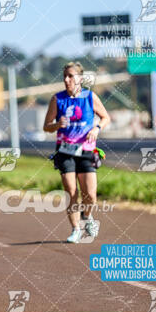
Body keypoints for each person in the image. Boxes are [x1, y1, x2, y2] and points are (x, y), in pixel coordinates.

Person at [43, 62, 110, 243]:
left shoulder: (90, 97)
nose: (67, 80)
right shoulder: (57, 99)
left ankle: (86, 216)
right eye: (65, 76)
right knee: (71, 190)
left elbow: (105, 117)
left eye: (71, 76)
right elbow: (46, 126)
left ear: (80, 78)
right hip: (65, 151)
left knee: (90, 195)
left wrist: (96, 128)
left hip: (87, 150)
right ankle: (75, 229)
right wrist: (57, 124)